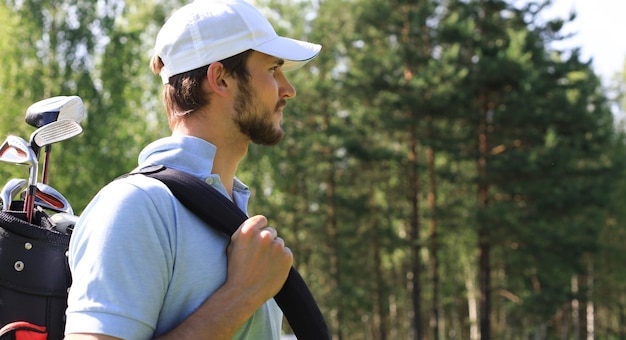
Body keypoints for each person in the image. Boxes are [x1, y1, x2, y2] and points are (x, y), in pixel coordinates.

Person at [64, 0, 321, 338]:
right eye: (273, 69)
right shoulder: (136, 208)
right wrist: (240, 296)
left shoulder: (229, 210)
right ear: (221, 79)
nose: (288, 89)